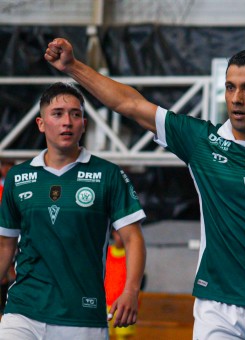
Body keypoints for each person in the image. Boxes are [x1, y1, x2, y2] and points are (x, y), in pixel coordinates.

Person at [45, 38, 245, 340]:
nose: (236, 98)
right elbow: (128, 103)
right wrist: (72, 67)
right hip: (218, 306)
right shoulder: (201, 141)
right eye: (230, 87)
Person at [0, 82, 147, 340]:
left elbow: (133, 238)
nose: (67, 121)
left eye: (75, 114)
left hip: (83, 316)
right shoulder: (18, 176)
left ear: (84, 124)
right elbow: (5, 245)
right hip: (23, 311)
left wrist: (131, 291)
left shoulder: (108, 175)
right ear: (41, 123)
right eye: (57, 114)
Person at [105, 229, 137, 340]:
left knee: (122, 337)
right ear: (113, 234)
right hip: (105, 304)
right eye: (117, 233)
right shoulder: (106, 252)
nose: (120, 237)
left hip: (123, 305)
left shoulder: (132, 257)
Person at [0, 160, 15, 315]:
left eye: (9, 166)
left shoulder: (15, 186)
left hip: (11, 233)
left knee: (11, 271)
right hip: (4, 233)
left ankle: (6, 304)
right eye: (4, 166)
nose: (6, 169)